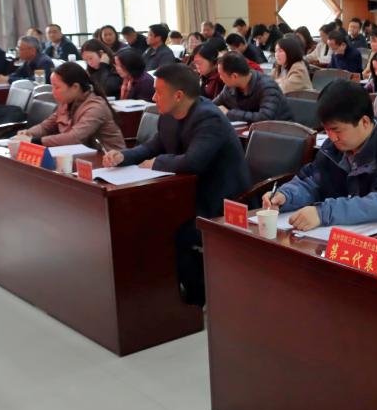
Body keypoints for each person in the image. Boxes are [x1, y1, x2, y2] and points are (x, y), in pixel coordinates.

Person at [104, 64, 250, 305]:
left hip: (218, 200)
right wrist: (123, 156)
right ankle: (155, 293)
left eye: (159, 92)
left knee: (169, 230)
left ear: (179, 96)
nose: (153, 98)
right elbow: (152, 146)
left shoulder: (209, 117)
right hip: (183, 193)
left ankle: (195, 297)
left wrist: (156, 164)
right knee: (140, 221)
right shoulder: (168, 116)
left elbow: (194, 161)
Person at [262, 79, 377, 234]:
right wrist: (285, 196)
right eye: (327, 130)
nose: (332, 137)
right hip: (353, 229)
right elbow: (313, 182)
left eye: (336, 130)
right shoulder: (333, 147)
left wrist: (323, 213)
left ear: (364, 122)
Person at [18, 62, 125, 150]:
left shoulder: (95, 107)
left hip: (110, 161)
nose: (53, 92)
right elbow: (46, 126)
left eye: (57, 87)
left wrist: (34, 141)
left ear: (75, 87)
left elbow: (74, 138)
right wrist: (28, 133)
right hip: (82, 156)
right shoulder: (66, 103)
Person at [214, 52, 293, 123]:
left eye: (221, 74)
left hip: (280, 131)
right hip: (250, 131)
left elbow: (265, 117)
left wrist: (229, 113)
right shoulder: (230, 87)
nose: (220, 77)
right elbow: (214, 104)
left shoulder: (267, 86)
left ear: (234, 76)